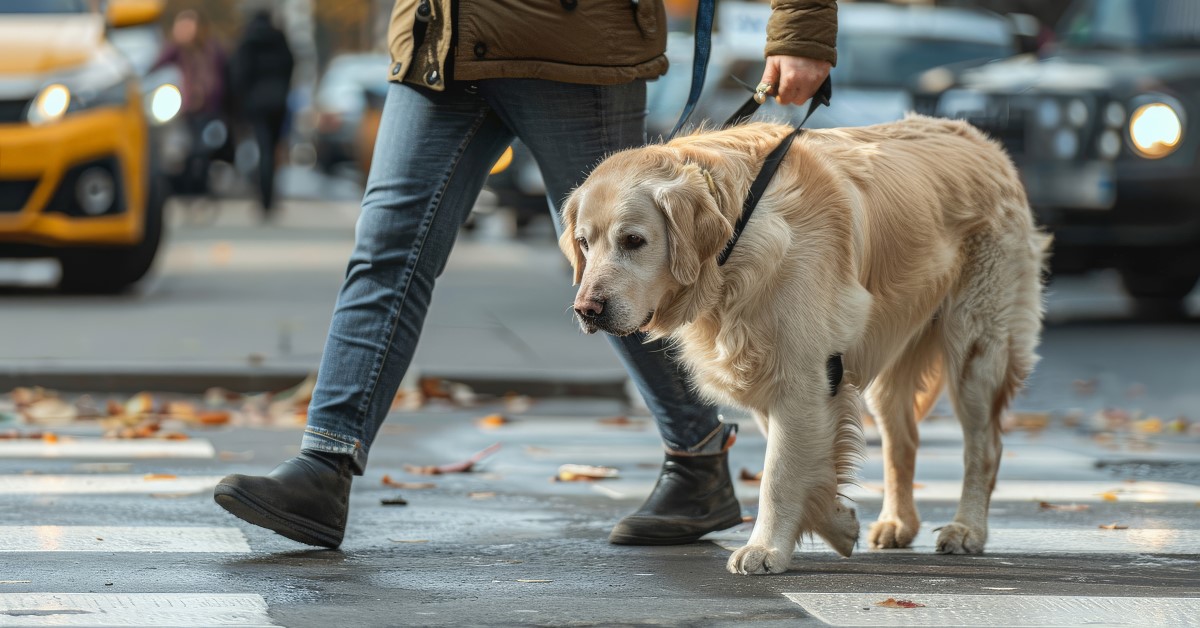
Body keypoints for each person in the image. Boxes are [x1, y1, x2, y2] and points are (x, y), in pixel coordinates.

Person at [214, 0, 837, 550]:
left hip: (572, 44)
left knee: (630, 269)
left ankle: (698, 457)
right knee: (385, 251)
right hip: (441, 39)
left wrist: (802, 26)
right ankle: (325, 464)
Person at [151, 9, 231, 197]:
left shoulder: (212, 48)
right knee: (188, 147)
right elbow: (157, 65)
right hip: (188, 106)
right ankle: (189, 187)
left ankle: (200, 186)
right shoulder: (177, 49)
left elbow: (224, 74)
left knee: (203, 148)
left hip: (211, 106)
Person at [231, 9, 295, 218]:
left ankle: (264, 199)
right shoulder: (279, 39)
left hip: (257, 104)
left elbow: (238, 73)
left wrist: (244, 101)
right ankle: (270, 197)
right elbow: (290, 65)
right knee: (272, 151)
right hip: (278, 103)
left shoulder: (248, 41)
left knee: (263, 149)